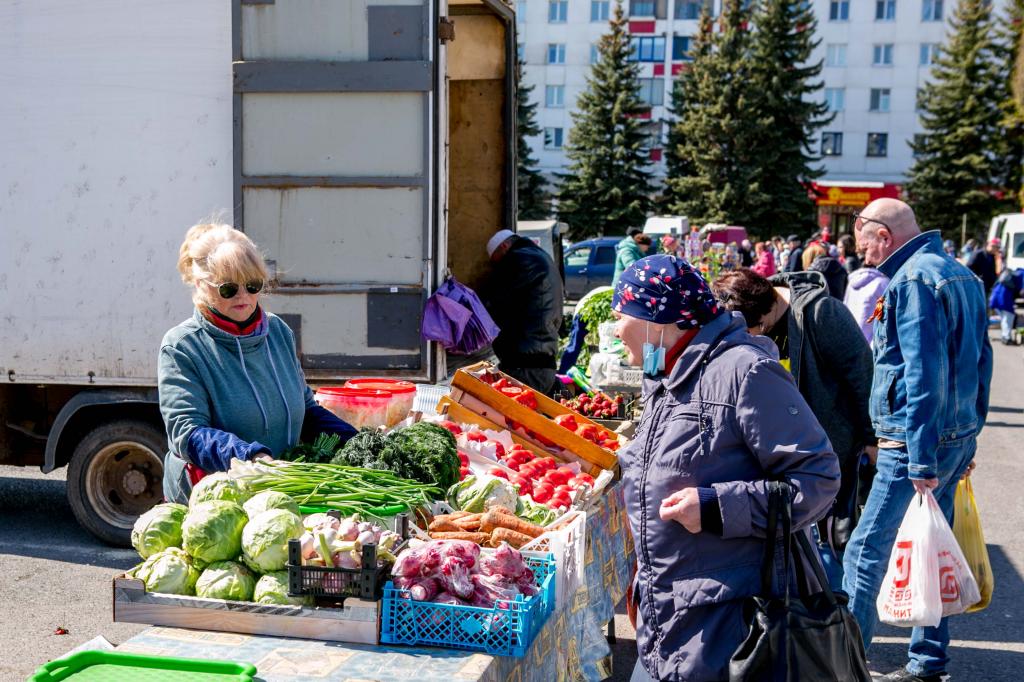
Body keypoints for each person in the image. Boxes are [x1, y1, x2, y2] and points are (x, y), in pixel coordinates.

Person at [613, 255, 840, 682]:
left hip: (723, 624)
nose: (616, 328)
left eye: (621, 315)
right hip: (665, 613)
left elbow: (818, 480)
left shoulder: (746, 372)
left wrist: (717, 507)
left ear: (657, 318)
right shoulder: (668, 371)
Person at [844, 199, 993, 682]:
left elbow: (923, 374)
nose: (859, 250)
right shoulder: (959, 273)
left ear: (883, 236)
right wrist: (969, 437)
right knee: (933, 549)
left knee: (865, 552)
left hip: (913, 444)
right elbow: (980, 364)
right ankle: (927, 664)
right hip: (948, 437)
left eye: (862, 239)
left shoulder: (912, 280)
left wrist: (922, 457)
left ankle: (844, 664)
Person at [159, 223, 357, 504]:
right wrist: (250, 457)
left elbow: (307, 411)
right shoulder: (182, 346)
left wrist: (356, 441)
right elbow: (187, 432)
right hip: (215, 501)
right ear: (202, 285)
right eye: (228, 288)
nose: (244, 296)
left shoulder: (278, 332)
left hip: (279, 489)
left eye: (252, 285)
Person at [712, 268, 874, 588]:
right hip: (777, 450)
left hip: (827, 444)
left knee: (830, 535)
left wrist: (871, 437)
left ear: (769, 308)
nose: (754, 335)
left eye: (756, 328)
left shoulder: (821, 313)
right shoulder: (756, 313)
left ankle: (830, 616)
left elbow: (862, 374)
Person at [482, 229, 564, 395]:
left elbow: (498, 302)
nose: (497, 266)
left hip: (525, 365)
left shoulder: (518, 259)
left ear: (504, 246)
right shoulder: (540, 256)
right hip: (542, 358)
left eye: (498, 261)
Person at [844, 266, 891, 346]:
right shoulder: (883, 283)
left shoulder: (852, 282)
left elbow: (845, 305)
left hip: (850, 341)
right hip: (871, 346)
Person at [989, 266, 1022, 345]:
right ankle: (1007, 338)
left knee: (1004, 317)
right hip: (1004, 297)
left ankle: (1005, 337)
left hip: (996, 294)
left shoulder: (1016, 272)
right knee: (1008, 317)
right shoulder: (1022, 275)